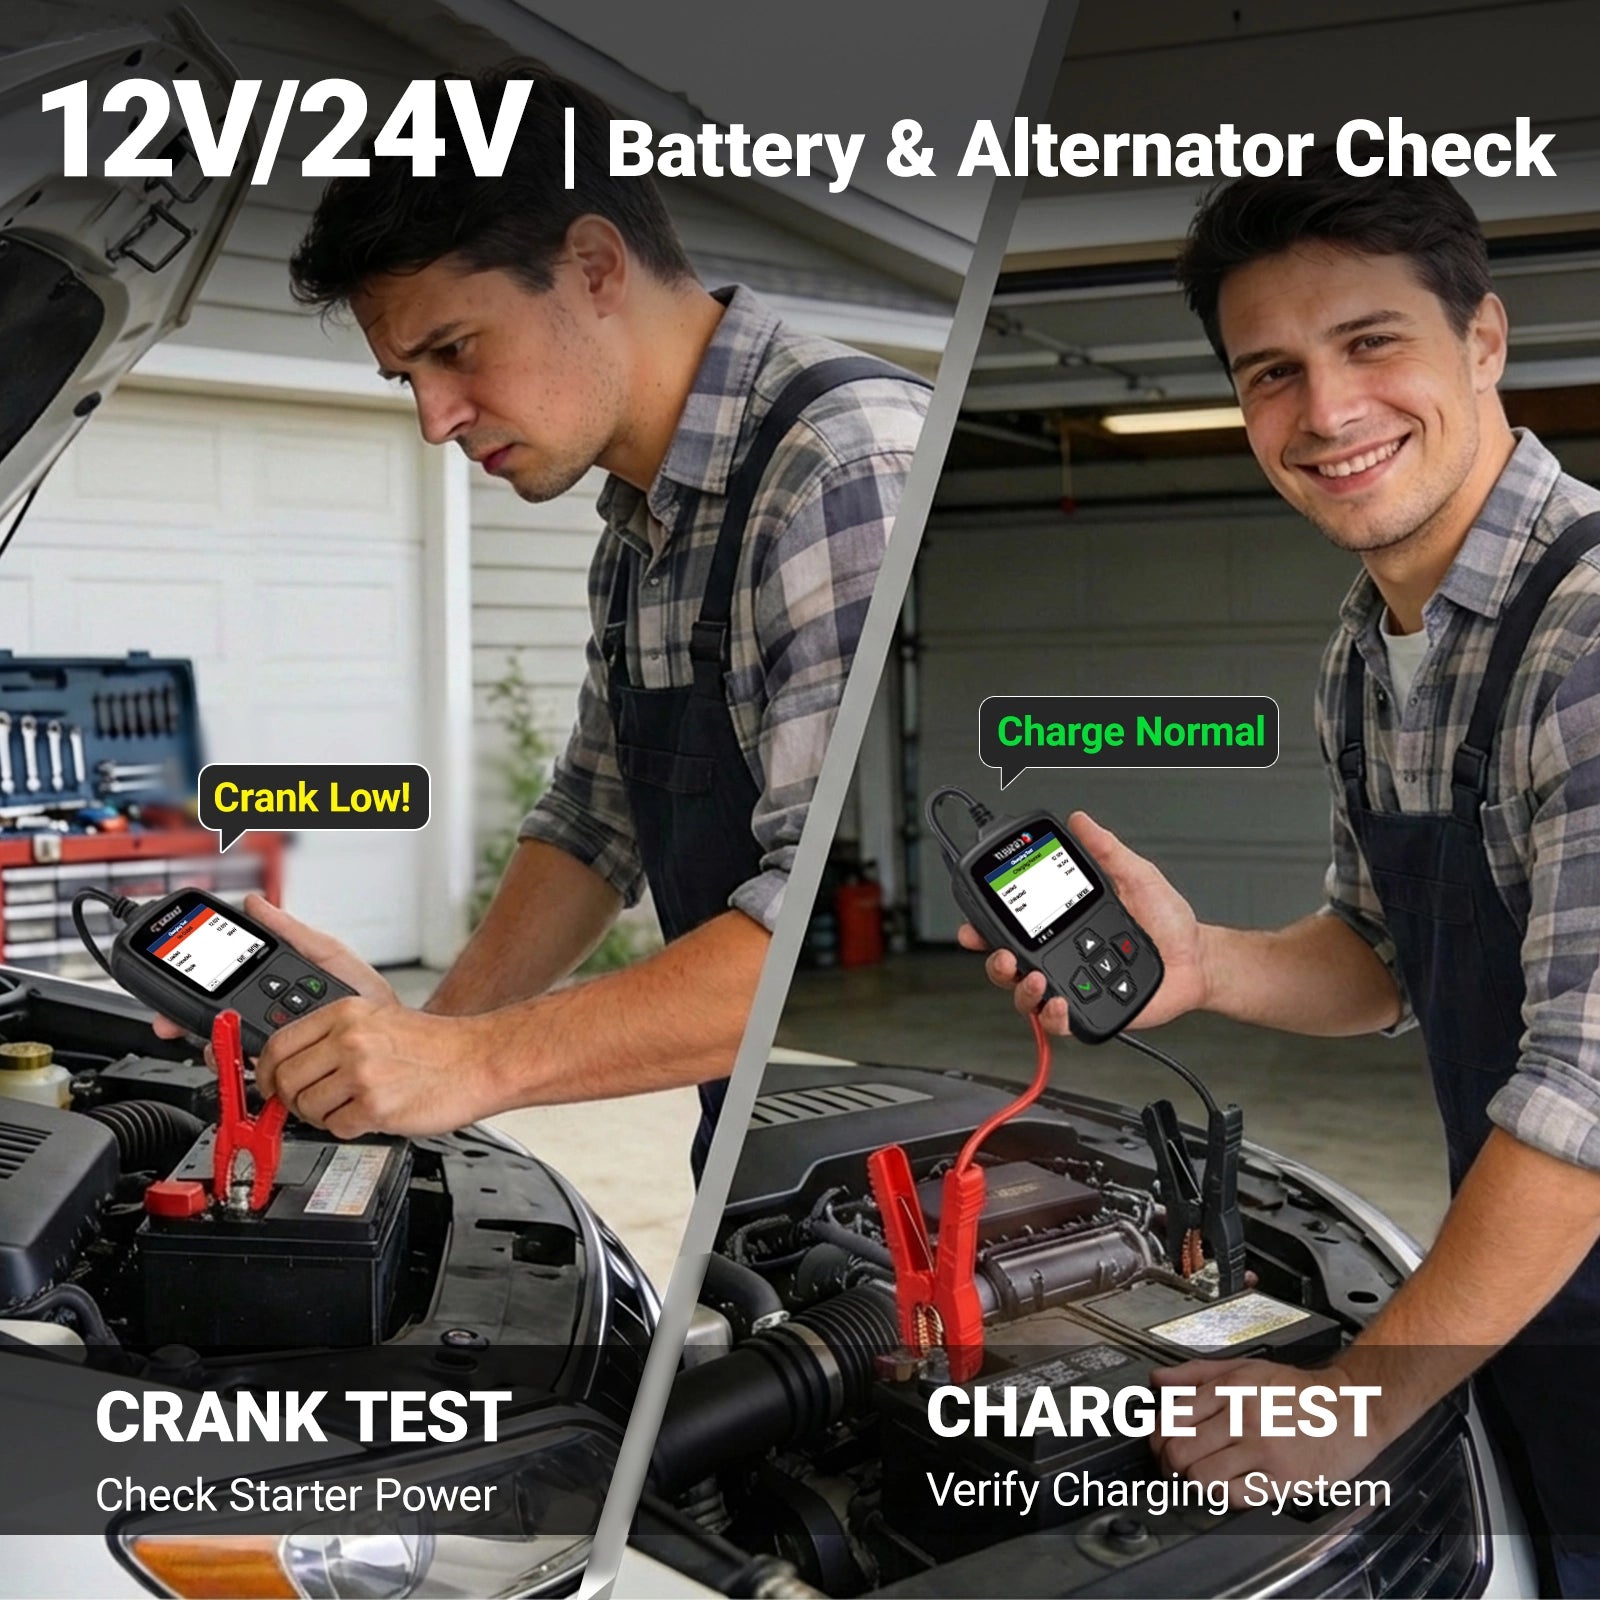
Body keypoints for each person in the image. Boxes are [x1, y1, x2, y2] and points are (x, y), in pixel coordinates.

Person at [965, 151, 1600, 1590]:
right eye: (1270, 371)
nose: (1326, 413)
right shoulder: (1369, 652)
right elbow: (1387, 956)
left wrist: (1346, 1408)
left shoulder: (1588, 640)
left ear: (1483, 340)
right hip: (1536, 1305)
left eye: (1372, 343)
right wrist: (1207, 962)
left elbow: (1585, 1103)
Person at [167, 64, 928, 1174]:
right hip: (748, 1140)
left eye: (453, 349)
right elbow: (593, 821)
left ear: (593, 266)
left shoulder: (841, 468)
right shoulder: (644, 513)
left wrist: (472, 1065)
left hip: (888, 1150)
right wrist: (421, 1040)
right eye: (404, 378)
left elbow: (784, 917)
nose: (435, 419)